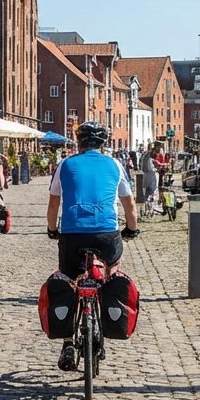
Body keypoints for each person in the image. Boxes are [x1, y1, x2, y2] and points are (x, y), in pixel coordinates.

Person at [47, 121, 139, 371]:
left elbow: (54, 204)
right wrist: (131, 229)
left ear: (79, 142)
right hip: (106, 235)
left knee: (68, 277)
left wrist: (52, 230)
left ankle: (68, 341)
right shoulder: (115, 164)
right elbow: (129, 204)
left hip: (73, 235)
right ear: (103, 144)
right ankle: (105, 298)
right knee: (111, 269)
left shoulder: (65, 164)